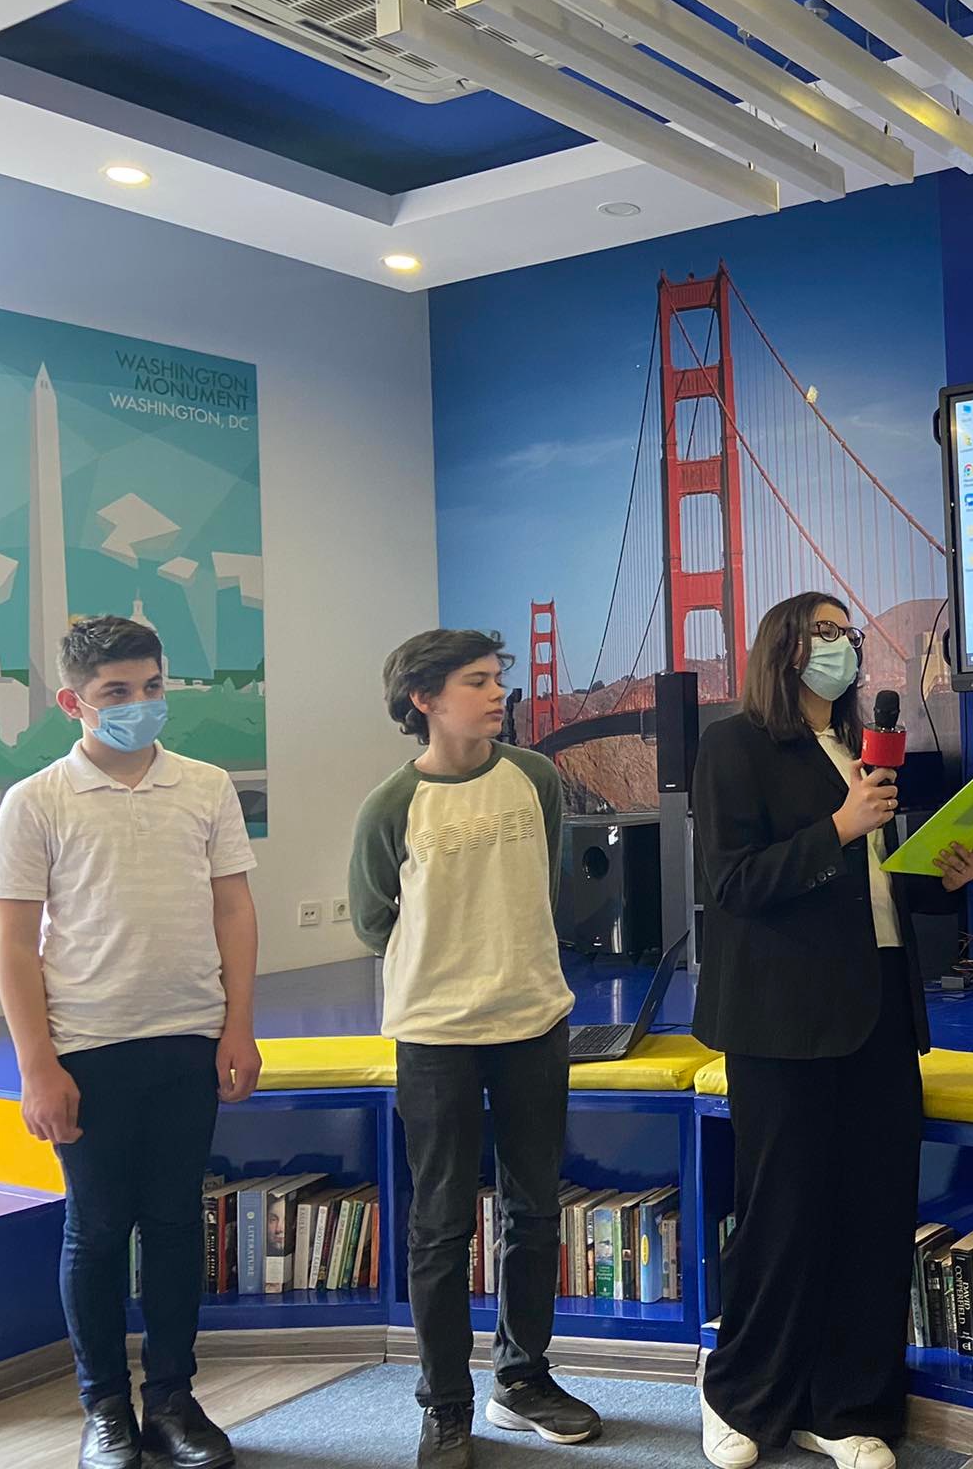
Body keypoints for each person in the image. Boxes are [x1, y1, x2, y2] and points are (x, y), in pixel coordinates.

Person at [691, 593, 973, 1469]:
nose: (844, 646)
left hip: (880, 1010)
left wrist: (944, 873)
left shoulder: (861, 747)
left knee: (874, 1214)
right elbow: (734, 884)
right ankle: (738, 1393)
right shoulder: (733, 746)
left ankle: (846, 1404)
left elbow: (879, 882)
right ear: (783, 647)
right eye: (824, 632)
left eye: (848, 633)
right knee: (783, 1215)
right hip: (783, 1018)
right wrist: (838, 827)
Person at [0, 615, 261, 1469]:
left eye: (151, 687)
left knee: (176, 1223)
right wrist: (37, 1066)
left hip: (188, 1035)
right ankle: (104, 1407)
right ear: (74, 702)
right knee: (98, 1228)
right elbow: (13, 945)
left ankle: (173, 1400)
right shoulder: (35, 801)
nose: (139, 704)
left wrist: (238, 1025)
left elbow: (233, 909)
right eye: (116, 692)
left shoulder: (205, 786)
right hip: (87, 1047)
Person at [349, 629, 600, 1469]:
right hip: (435, 1034)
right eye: (477, 681)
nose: (497, 694)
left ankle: (522, 1381)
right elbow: (374, 921)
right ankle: (446, 1405)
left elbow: (546, 885)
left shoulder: (535, 777)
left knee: (535, 1209)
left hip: (534, 1019)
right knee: (441, 1222)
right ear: (423, 699)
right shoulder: (391, 805)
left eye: (499, 679)